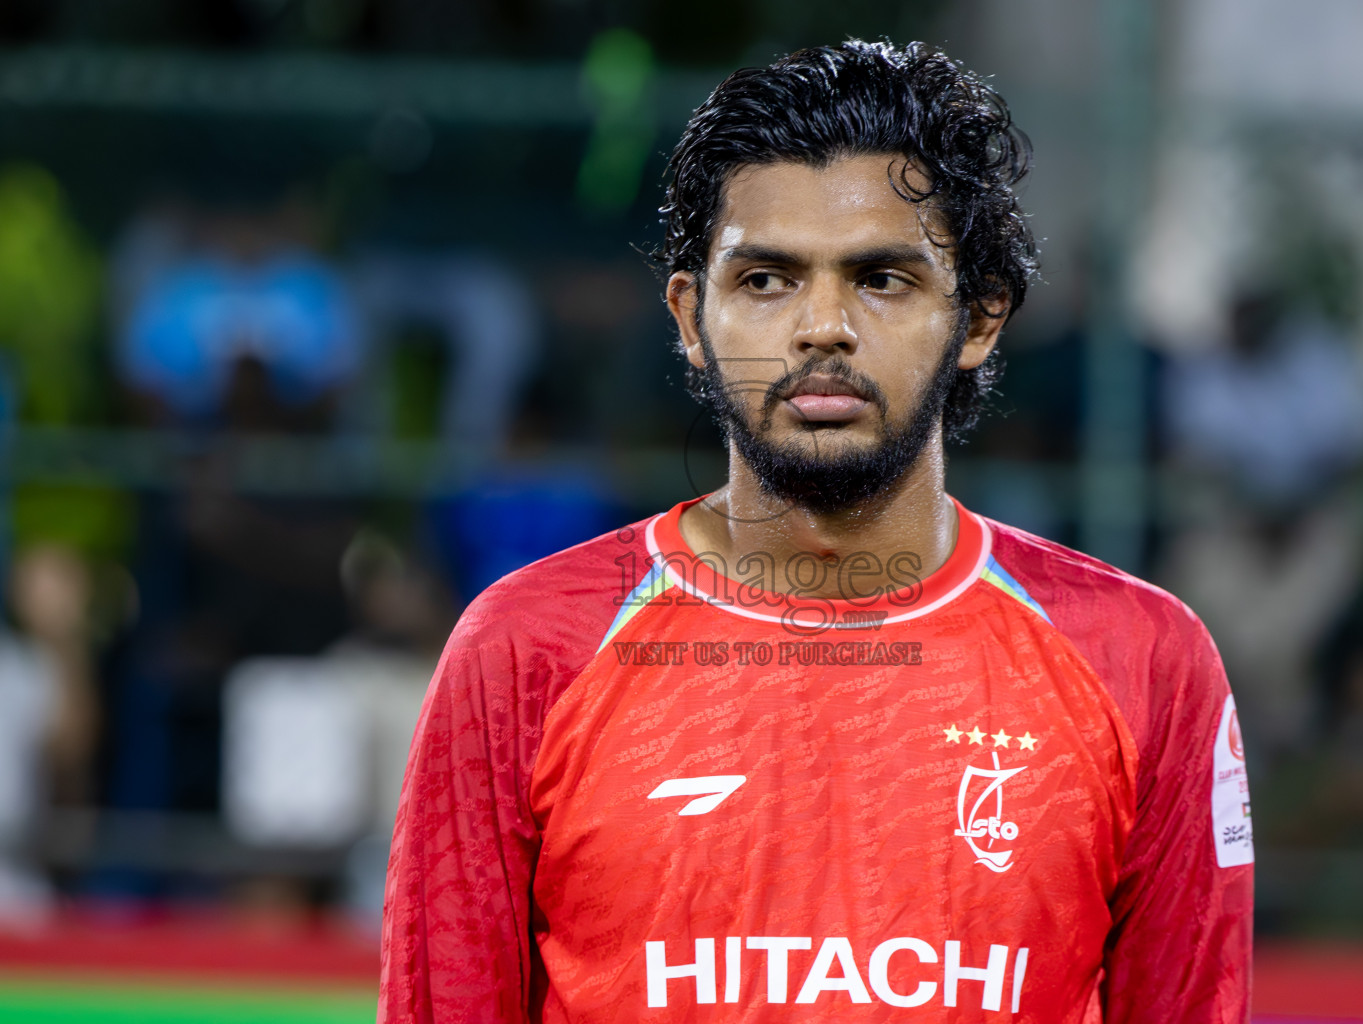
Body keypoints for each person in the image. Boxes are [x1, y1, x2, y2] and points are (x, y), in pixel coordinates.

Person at [380, 40, 1252, 1023]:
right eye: (765, 280)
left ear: (979, 319)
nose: (822, 326)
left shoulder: (1144, 662)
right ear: (690, 317)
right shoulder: (527, 651)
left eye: (881, 278)